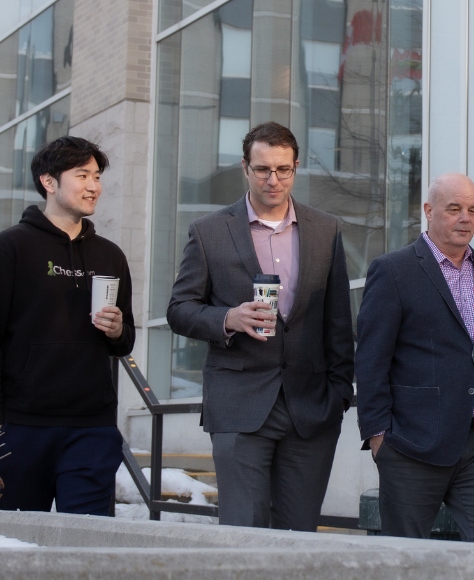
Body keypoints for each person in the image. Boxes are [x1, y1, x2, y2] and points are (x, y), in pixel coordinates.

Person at [167, 121, 354, 531]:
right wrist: (227, 318)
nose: (273, 179)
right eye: (263, 169)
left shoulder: (325, 230)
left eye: (283, 169)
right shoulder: (209, 232)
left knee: (299, 535)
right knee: (243, 532)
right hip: (238, 404)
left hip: (311, 409)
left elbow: (338, 320)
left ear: (296, 167)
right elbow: (179, 309)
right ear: (245, 168)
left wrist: (339, 395)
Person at [0, 136, 136, 515]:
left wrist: (116, 329)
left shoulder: (110, 255)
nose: (94, 186)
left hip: (92, 428)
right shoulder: (9, 248)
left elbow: (124, 342)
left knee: (88, 551)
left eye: (97, 176)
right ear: (49, 181)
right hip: (22, 428)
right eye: (82, 175)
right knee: (20, 551)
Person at [355, 172, 474, 543]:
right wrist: (377, 436)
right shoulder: (393, 271)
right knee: (406, 558)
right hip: (413, 443)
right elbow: (370, 361)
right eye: (454, 209)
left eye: (473, 210)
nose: (465, 218)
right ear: (429, 211)